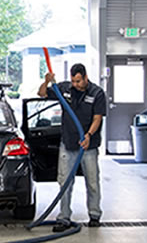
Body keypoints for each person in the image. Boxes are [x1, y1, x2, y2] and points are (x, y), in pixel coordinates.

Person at [38, 63, 107, 231]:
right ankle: (64, 217)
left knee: (92, 182)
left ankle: (95, 214)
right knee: (65, 182)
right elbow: (41, 93)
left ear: (85, 77)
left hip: (88, 146)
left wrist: (88, 135)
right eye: (73, 81)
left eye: (78, 81)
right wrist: (47, 81)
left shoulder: (97, 93)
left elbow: (97, 118)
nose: (75, 84)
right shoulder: (64, 89)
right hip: (68, 143)